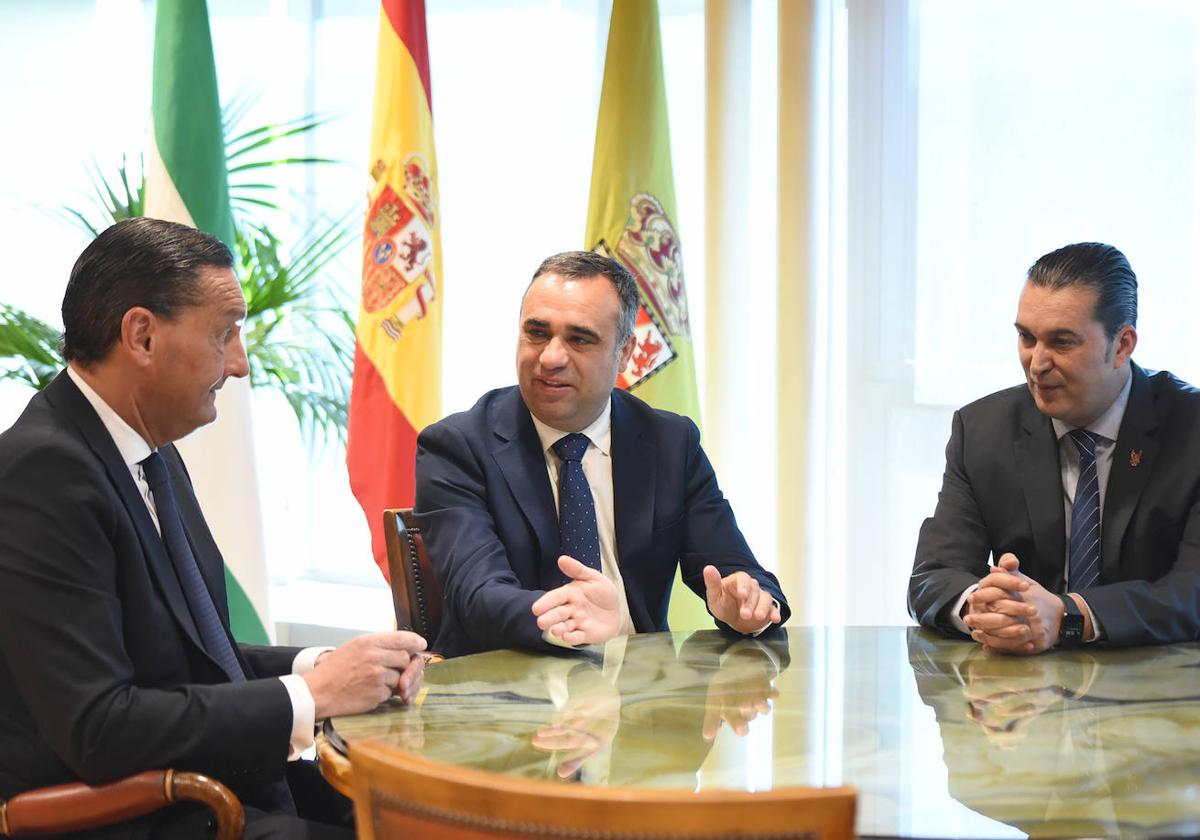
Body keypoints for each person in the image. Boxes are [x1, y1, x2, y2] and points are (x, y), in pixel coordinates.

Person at [0, 218, 427, 839]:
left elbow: (197, 656)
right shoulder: (44, 473)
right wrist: (313, 696)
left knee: (434, 816)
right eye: (224, 333)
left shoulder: (151, 448)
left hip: (210, 780)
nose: (241, 364)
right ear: (141, 335)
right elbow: (100, 725)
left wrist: (329, 664)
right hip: (128, 811)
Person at [414, 251, 788, 658]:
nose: (551, 358)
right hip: (510, 698)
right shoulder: (458, 447)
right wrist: (572, 621)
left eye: (579, 339)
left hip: (641, 704)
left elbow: (733, 566)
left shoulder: (669, 442)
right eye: (536, 333)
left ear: (625, 353)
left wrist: (750, 603)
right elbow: (477, 596)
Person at [908, 242, 1200, 654]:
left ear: (1122, 345)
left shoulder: (1190, 429)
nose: (1037, 363)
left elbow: (1190, 592)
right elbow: (933, 575)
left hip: (1168, 698)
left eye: (1062, 343)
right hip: (1020, 701)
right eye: (1027, 338)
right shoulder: (982, 430)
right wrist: (984, 606)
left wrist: (1067, 615)